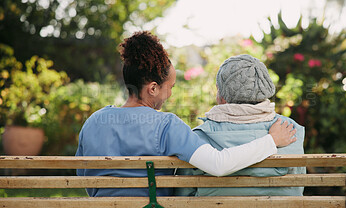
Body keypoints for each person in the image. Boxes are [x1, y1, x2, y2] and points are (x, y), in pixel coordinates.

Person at [75, 31, 297, 198]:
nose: (170, 93)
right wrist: (271, 141)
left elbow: (85, 178)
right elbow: (219, 164)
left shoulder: (94, 121)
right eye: (169, 87)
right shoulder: (166, 125)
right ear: (152, 88)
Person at [175, 54, 306, 199]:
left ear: (223, 96)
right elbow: (296, 187)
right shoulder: (289, 129)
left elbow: (184, 194)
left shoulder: (200, 135)